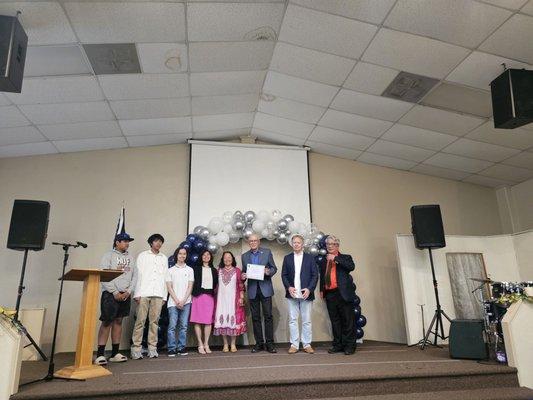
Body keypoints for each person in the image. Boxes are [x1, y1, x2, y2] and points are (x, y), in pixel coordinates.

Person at [94, 232, 136, 365]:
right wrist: (114, 292)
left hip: (125, 294)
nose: (127, 243)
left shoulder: (130, 257)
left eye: (128, 241)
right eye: (124, 241)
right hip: (110, 295)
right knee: (107, 322)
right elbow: (104, 274)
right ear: (117, 242)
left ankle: (115, 353)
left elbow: (135, 276)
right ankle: (100, 354)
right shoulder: (108, 256)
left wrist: (129, 291)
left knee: (119, 321)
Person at [319, 235, 357, 355]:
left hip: (343, 294)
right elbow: (322, 276)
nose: (330, 246)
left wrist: (335, 258)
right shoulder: (324, 260)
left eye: (332, 244)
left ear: (337, 245)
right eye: (328, 244)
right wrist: (321, 290)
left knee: (347, 320)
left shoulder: (345, 257)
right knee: (335, 321)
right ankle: (338, 345)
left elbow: (351, 267)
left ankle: (349, 345)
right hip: (330, 294)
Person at [131, 233, 167, 359]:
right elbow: (138, 275)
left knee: (154, 322)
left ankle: (152, 348)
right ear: (151, 243)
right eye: (156, 241)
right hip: (144, 293)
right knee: (140, 321)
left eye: (160, 241)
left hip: (158, 294)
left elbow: (165, 278)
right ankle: (136, 348)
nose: (158, 243)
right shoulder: (143, 256)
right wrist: (137, 293)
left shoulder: (164, 258)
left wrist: (164, 296)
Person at [281, 234, 318, 354]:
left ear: (302, 244)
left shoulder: (310, 258)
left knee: (306, 320)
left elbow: (315, 275)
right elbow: (284, 275)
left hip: (306, 294)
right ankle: (294, 345)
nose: (296, 244)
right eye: (294, 242)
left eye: (298, 242)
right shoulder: (287, 258)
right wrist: (288, 287)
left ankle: (307, 344)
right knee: (292, 320)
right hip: (292, 294)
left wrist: (309, 289)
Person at [241, 234, 278, 353]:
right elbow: (243, 272)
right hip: (252, 290)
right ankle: (259, 343)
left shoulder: (267, 252)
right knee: (255, 318)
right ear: (248, 243)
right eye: (250, 241)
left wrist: (268, 272)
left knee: (268, 316)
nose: (253, 242)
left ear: (259, 242)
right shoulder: (244, 256)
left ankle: (270, 343)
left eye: (255, 240)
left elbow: (274, 268)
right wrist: (242, 276)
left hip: (265, 289)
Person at [213, 251, 247, 352]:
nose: (227, 259)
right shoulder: (218, 271)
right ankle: (225, 344)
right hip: (221, 301)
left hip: (233, 300)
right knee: (222, 321)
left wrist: (241, 297)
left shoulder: (237, 271)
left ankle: (233, 344)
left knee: (233, 321)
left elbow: (241, 285)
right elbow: (215, 286)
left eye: (229, 257)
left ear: (232, 259)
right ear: (222, 260)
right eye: (225, 258)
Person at [166, 247, 194, 357]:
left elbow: (190, 287)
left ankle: (181, 347)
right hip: (173, 302)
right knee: (172, 326)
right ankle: (171, 348)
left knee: (184, 326)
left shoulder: (190, 270)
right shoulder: (170, 270)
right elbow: (169, 287)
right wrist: (177, 301)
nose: (182, 256)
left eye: (184, 254)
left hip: (186, 302)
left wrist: (183, 300)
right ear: (176, 255)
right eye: (180, 254)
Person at [190, 249, 218, 354]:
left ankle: (206, 344)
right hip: (198, 296)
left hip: (209, 297)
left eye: (208, 255)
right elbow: (192, 283)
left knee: (208, 322)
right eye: (204, 255)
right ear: (201, 257)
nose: (206, 256)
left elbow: (215, 285)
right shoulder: (195, 269)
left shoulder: (214, 270)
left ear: (211, 257)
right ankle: (200, 344)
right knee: (197, 321)